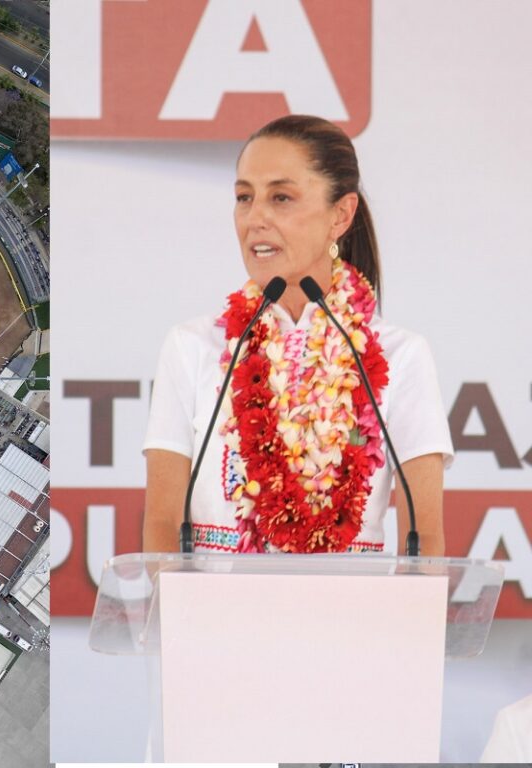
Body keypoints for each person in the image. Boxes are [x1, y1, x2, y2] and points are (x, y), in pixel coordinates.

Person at [142, 115, 452, 556]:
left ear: (340, 215)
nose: (256, 218)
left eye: (281, 197)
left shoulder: (400, 355)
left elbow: (425, 541)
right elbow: (160, 526)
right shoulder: (191, 346)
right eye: (244, 197)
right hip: (214, 618)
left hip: (351, 618)